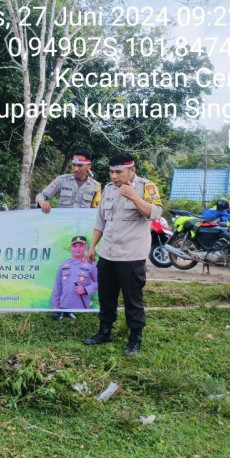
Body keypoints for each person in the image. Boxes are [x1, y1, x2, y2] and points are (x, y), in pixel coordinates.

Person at [83, 152, 163, 355]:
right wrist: (92, 246)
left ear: (132, 171)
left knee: (132, 299)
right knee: (106, 296)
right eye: (111, 172)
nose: (114, 176)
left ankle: (135, 339)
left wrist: (133, 196)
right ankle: (104, 331)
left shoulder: (147, 187)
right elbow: (100, 221)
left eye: (119, 172)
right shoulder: (108, 189)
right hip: (107, 253)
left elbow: (154, 214)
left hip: (131, 256)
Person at [35, 148, 101, 214]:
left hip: (82, 223)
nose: (76, 169)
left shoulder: (96, 186)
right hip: (64, 222)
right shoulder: (62, 180)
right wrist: (42, 202)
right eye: (74, 165)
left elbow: (96, 212)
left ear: (89, 166)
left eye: (80, 165)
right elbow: (42, 195)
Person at [50, 235, 98, 320]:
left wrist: (86, 290)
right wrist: (55, 305)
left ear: (86, 247)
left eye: (81, 246)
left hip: (80, 309)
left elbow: (101, 282)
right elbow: (58, 286)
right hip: (62, 308)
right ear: (71, 248)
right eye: (74, 246)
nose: (77, 248)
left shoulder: (92, 264)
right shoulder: (64, 265)